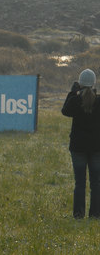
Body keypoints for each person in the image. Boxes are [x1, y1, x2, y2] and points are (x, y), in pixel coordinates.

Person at [62, 68, 100, 219]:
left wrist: (72, 93)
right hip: (97, 147)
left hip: (78, 147)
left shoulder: (75, 101)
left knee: (80, 183)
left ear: (80, 84)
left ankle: (78, 214)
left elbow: (65, 111)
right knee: (96, 183)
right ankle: (96, 214)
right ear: (93, 84)